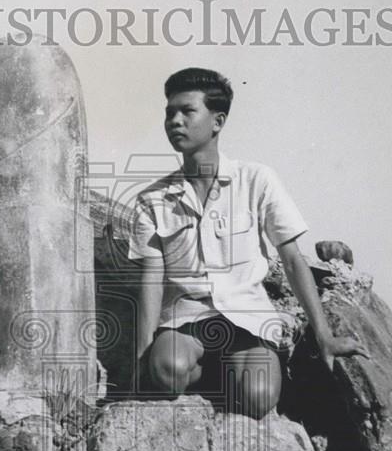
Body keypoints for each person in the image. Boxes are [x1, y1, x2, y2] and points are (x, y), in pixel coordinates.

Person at [128, 67, 367, 419]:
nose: (174, 121)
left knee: (257, 399)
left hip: (247, 319)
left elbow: (292, 259)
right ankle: (199, 371)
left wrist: (324, 336)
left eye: (186, 111)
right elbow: (150, 280)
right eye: (169, 112)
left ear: (217, 121)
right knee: (165, 373)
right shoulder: (154, 199)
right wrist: (141, 359)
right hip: (186, 320)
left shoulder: (257, 180)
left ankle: (235, 372)